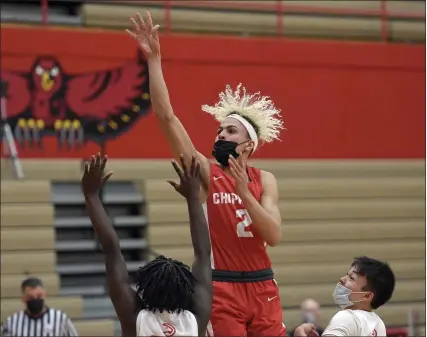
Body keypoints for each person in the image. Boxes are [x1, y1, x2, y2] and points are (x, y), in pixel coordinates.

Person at [126, 12, 286, 336]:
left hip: (263, 284)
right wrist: (154, 61)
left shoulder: (264, 179)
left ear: (249, 145)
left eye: (230, 131)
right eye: (218, 130)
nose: (220, 136)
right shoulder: (205, 171)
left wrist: (244, 193)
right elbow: (166, 118)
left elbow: (273, 235)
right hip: (222, 286)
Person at [81, 153, 212, 337]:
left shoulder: (135, 318)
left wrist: (91, 196)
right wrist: (193, 197)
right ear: (187, 289)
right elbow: (203, 254)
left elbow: (112, 250)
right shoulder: (195, 319)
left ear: (146, 286)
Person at [293, 256, 395, 337]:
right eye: (347, 274)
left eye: (351, 278)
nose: (342, 279)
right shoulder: (379, 324)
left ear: (367, 295)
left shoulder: (346, 318)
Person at [1, 277, 78, 336]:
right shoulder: (12, 322)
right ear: (23, 299)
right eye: (30, 297)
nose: (35, 299)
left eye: (39, 296)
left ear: (45, 295)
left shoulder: (61, 319)